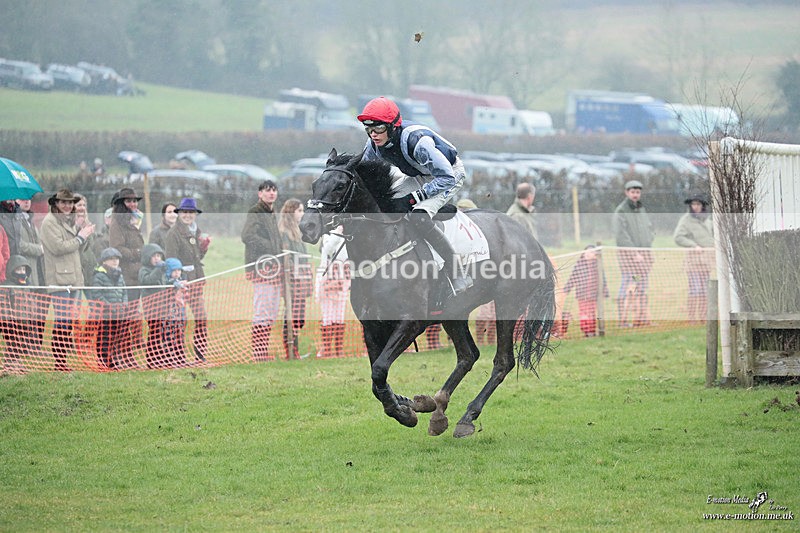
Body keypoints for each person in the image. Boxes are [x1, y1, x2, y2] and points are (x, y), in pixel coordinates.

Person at [358, 96, 472, 303]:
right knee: (385, 205)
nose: (373, 134)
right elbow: (365, 175)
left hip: (447, 175)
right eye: (368, 128)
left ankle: (457, 271)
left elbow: (446, 177)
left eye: (378, 128)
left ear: (393, 126)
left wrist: (414, 199)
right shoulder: (373, 144)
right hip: (417, 175)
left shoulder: (418, 143)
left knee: (418, 217)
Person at [41, 189, 95, 371]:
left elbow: (77, 249)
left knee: (68, 321)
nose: (68, 206)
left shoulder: (66, 221)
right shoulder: (49, 223)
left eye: (70, 203)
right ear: (55, 203)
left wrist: (82, 232)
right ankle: (60, 362)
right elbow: (58, 248)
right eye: (64, 202)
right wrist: (81, 236)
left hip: (72, 277)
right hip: (59, 280)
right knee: (61, 322)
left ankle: (63, 361)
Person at [164, 197, 210, 363]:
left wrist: (203, 248)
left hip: (196, 281)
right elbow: (170, 260)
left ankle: (200, 354)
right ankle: (178, 356)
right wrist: (178, 283)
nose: (187, 215)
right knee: (179, 322)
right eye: (184, 212)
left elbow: (196, 257)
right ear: (179, 213)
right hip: (181, 284)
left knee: (201, 318)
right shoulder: (173, 234)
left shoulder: (196, 231)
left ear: (195, 214)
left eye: (191, 212)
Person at [241, 180, 282, 361]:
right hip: (261, 267)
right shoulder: (256, 211)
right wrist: (270, 247)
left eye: (274, 190)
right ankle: (258, 353)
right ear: (260, 194)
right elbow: (247, 236)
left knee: (271, 311)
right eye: (267, 190)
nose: (271, 193)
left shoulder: (271, 213)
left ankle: (262, 352)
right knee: (262, 311)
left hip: (273, 267)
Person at [612, 180, 655, 328]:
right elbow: (620, 235)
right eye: (632, 192)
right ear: (627, 193)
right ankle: (622, 320)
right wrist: (634, 252)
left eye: (637, 192)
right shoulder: (621, 211)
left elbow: (649, 228)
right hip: (629, 259)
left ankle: (641, 318)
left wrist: (649, 240)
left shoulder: (641, 209)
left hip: (644, 258)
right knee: (628, 286)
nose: (635, 195)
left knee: (642, 287)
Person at [90, 247, 135, 369]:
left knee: (116, 338)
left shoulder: (120, 275)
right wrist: (110, 306)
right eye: (111, 259)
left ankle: (114, 360)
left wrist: (124, 304)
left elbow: (124, 292)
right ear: (104, 261)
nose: (115, 261)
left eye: (116, 259)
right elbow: (97, 295)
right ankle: (104, 361)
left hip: (118, 314)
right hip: (105, 315)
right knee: (104, 338)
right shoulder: (99, 276)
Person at [673, 190, 715, 324]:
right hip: (693, 262)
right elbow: (678, 237)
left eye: (698, 204)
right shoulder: (686, 220)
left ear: (703, 205)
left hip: (707, 262)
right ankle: (692, 318)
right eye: (693, 204)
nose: (695, 206)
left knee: (704, 291)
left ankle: (703, 317)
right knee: (695, 290)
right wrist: (693, 245)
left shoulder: (708, 220)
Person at [278, 198, 312, 359]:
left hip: (302, 279)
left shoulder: (298, 232)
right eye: (299, 210)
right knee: (291, 316)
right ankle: (290, 350)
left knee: (300, 317)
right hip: (292, 280)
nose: (302, 213)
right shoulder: (284, 233)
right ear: (291, 212)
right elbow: (286, 258)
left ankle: (294, 349)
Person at [316, 225, 350, 358]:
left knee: (339, 315)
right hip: (327, 277)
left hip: (342, 278)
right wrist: (338, 232)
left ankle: (338, 349)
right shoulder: (327, 234)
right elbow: (328, 250)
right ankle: (327, 349)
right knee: (327, 315)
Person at [0, 255, 37, 374]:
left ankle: (17, 361)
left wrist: (32, 316)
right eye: (19, 270)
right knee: (12, 342)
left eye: (24, 269)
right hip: (11, 321)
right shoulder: (7, 286)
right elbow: (4, 305)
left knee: (20, 342)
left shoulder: (27, 285)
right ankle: (10, 364)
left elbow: (32, 302)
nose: (22, 272)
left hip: (24, 320)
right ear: (12, 270)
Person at [562, 245, 609, 337]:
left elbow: (602, 279)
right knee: (584, 312)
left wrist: (605, 291)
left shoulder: (597, 266)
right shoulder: (579, 265)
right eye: (586, 252)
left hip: (593, 294)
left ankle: (592, 330)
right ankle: (586, 331)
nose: (588, 254)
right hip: (582, 294)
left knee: (592, 312)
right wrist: (566, 290)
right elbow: (573, 278)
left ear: (595, 255)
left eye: (591, 252)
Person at [74, 194, 98, 285]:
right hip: (77, 268)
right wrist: (78, 228)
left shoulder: (88, 223)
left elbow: (91, 246)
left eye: (84, 205)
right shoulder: (69, 224)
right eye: (79, 205)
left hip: (89, 268)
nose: (82, 208)